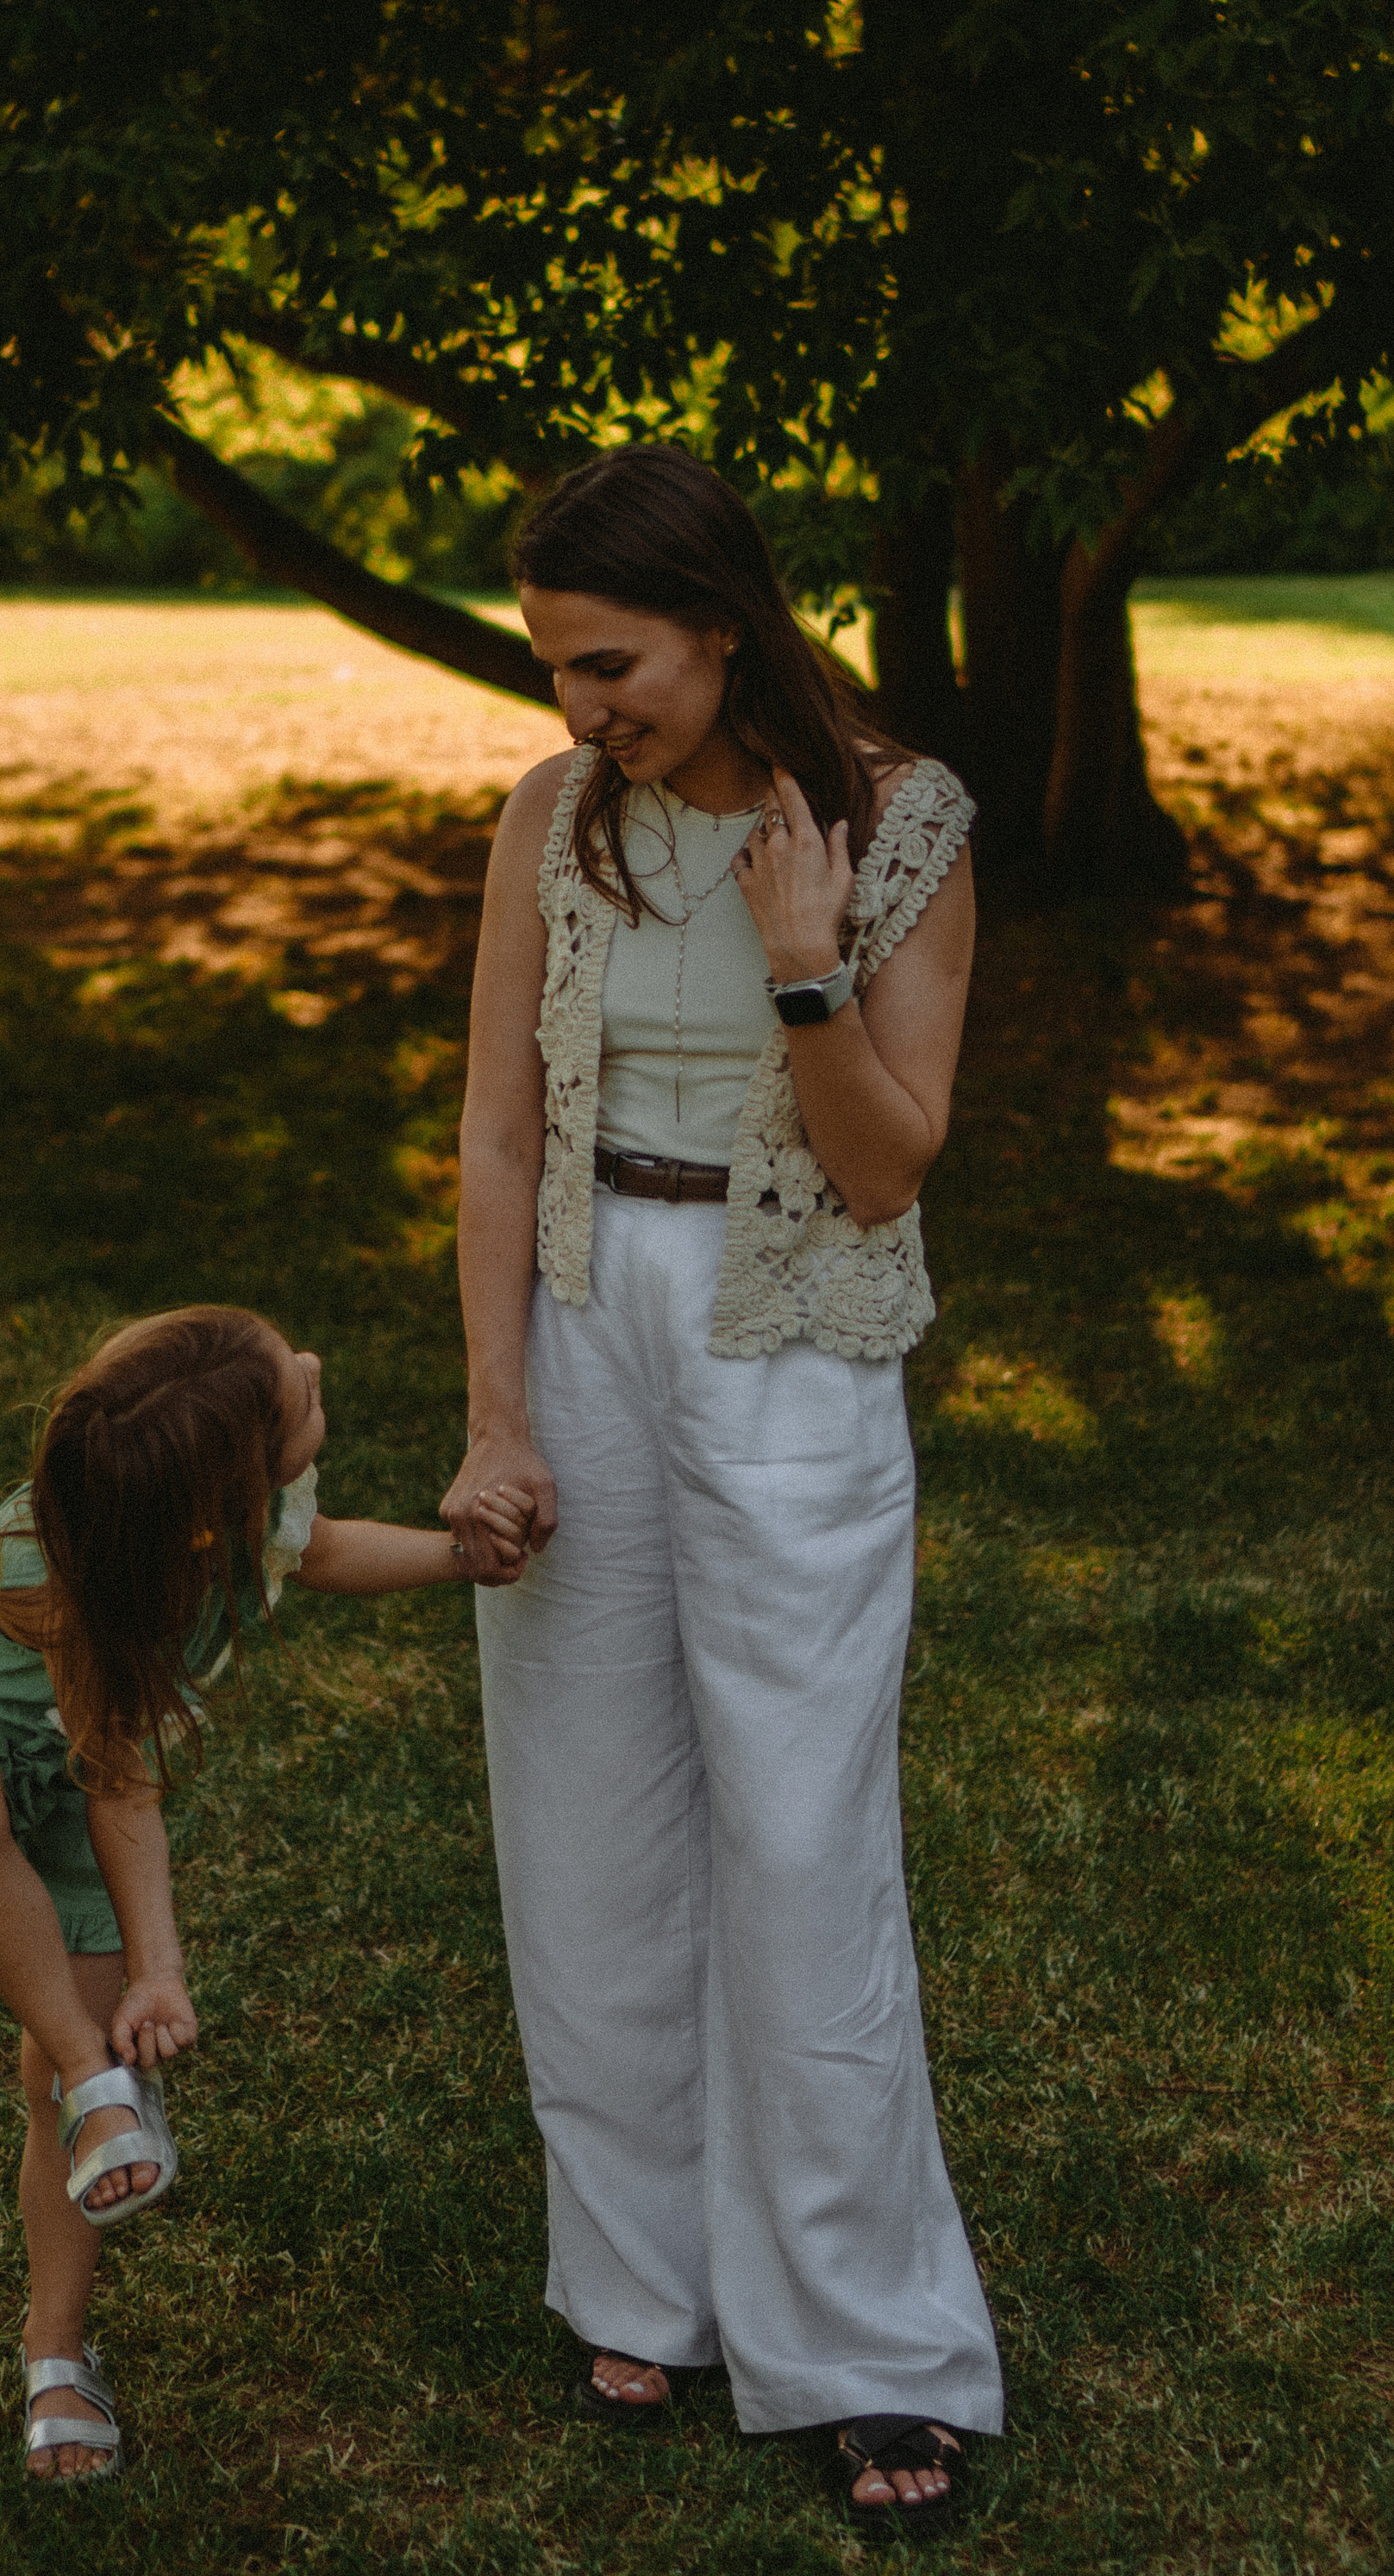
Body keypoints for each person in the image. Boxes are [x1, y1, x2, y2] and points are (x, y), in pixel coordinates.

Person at [442, 446, 1005, 2540]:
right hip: (584, 1309)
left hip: (790, 1334)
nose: (583, 709)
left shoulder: (902, 821)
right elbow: (498, 1135)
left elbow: (880, 1165)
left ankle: (867, 2344)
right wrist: (501, 1416)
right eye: (557, 672)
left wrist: (804, 965)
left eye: (612, 666)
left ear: (721, 622)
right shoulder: (549, 821)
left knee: (796, 1835)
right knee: (583, 1819)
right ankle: (639, 2279)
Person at [0, 1304, 526, 2485]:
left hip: (80, 1796)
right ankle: (92, 2077)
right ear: (224, 1498)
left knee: (58, 2084)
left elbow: (318, 1551)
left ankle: (54, 2346)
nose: (316, 1368)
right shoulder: (49, 1578)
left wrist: (459, 1555)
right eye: (298, 1395)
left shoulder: (223, 1523)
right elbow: (123, 1791)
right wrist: (151, 1972)